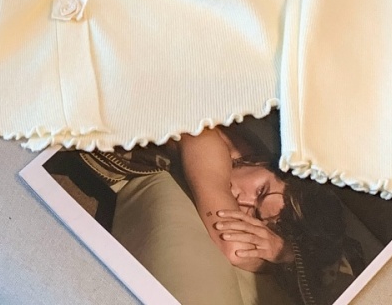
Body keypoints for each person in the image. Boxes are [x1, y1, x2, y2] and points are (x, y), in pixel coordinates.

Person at [106, 121, 354, 305]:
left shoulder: (247, 158)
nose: (241, 200)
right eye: (260, 191)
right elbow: (233, 245)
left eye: (254, 217)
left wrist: (289, 253)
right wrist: (282, 254)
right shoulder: (208, 141)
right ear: (267, 164)